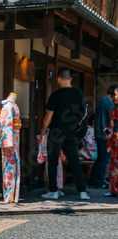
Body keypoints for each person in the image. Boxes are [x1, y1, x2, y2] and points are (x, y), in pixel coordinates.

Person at [40, 67, 90, 200]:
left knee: (52, 161)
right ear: (71, 78)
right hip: (72, 132)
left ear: (58, 79)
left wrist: (44, 129)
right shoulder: (78, 93)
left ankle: (53, 191)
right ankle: (82, 191)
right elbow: (82, 113)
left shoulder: (56, 95)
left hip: (56, 132)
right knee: (74, 161)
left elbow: (48, 117)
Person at [88, 84, 118, 188]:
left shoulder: (101, 101)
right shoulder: (109, 104)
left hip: (99, 133)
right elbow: (111, 121)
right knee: (104, 159)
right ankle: (98, 181)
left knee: (100, 159)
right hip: (105, 134)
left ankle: (92, 180)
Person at [0, 92, 21, 203]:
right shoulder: (8, 106)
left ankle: (12, 196)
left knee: (12, 166)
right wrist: (8, 140)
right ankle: (9, 197)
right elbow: (5, 123)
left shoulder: (12, 105)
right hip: (10, 140)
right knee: (9, 167)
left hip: (14, 138)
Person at [37, 130, 66, 197]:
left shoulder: (45, 135)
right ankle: (56, 189)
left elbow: (43, 146)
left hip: (52, 156)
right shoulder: (55, 134)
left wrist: (45, 155)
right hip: (55, 156)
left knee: (53, 173)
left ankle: (55, 189)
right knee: (57, 173)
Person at [104, 92, 118, 197]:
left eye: (117, 95)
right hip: (114, 140)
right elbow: (111, 125)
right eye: (114, 95)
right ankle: (113, 189)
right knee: (113, 164)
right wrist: (108, 133)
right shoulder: (114, 110)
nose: (114, 97)